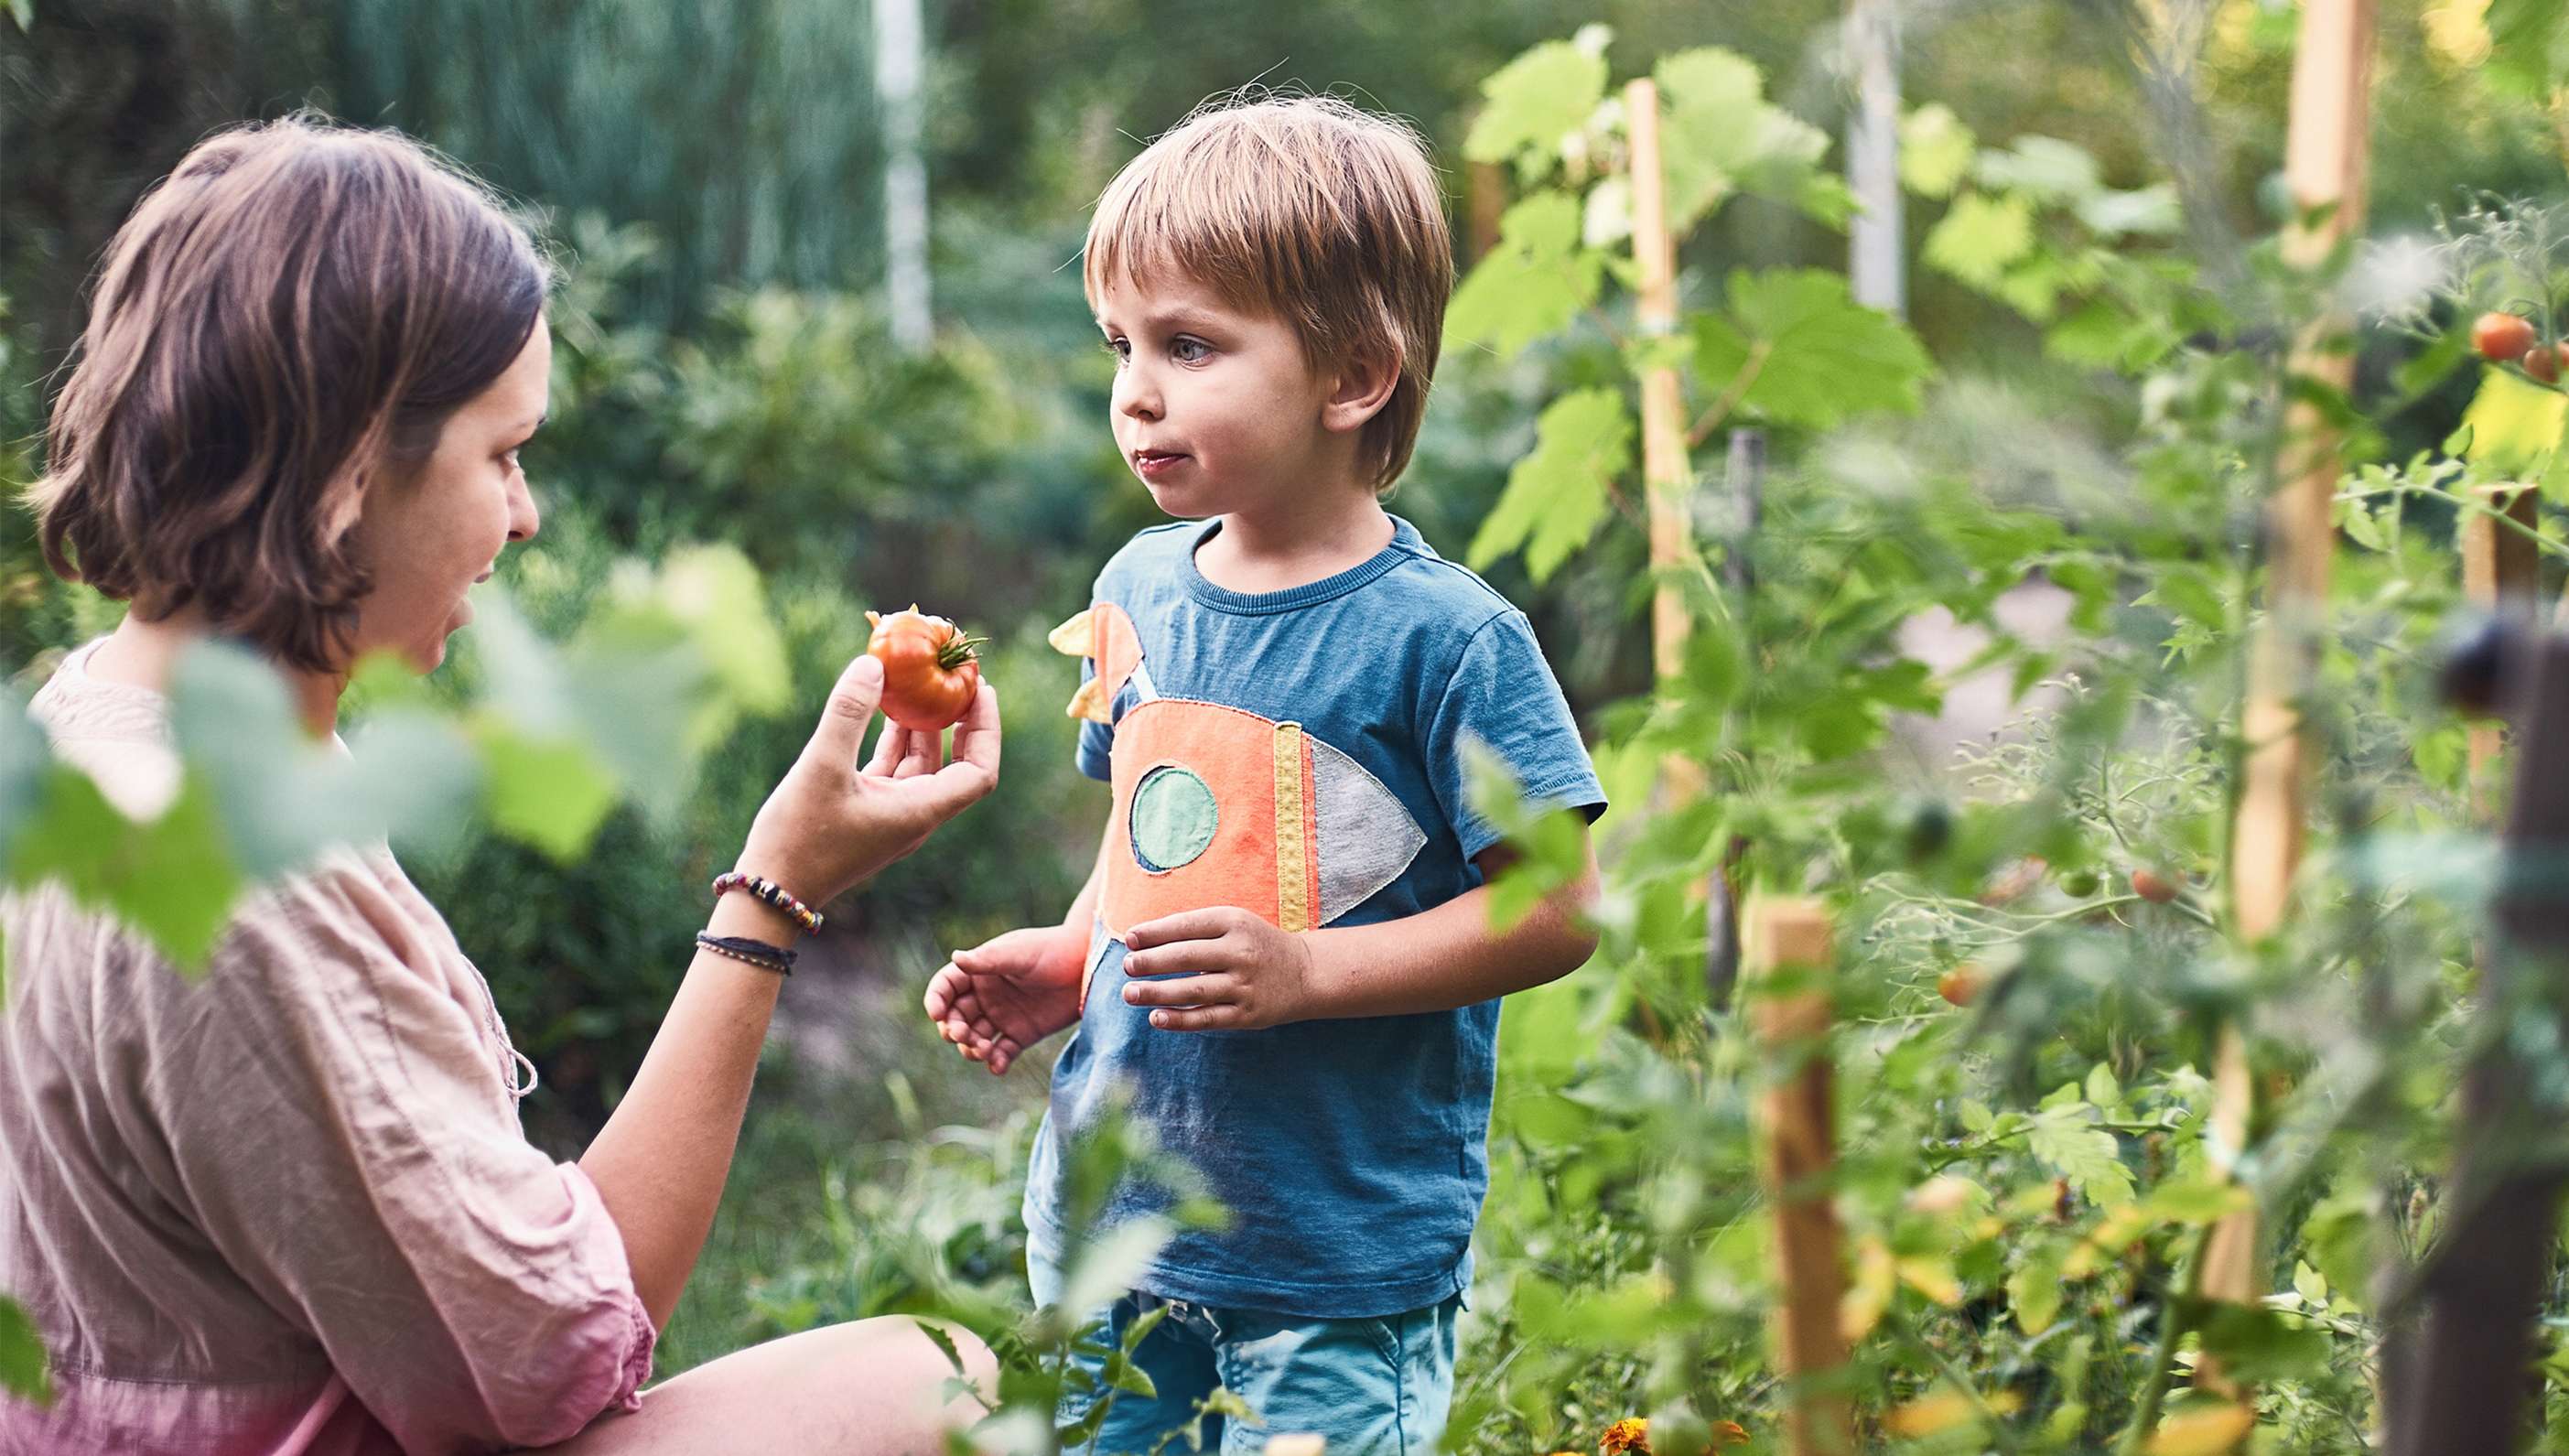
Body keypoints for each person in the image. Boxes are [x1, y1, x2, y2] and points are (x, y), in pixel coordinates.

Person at [3, 113, 1002, 1454]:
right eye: (502, 454)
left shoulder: (79, 736)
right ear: (355, 468)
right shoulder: (235, 877)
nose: (527, 517)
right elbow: (537, 1373)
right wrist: (774, 891)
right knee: (941, 1386)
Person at [922, 93, 1606, 1455]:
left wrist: (1309, 975)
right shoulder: (1140, 590)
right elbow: (1154, 830)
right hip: (1116, 1234)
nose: (1135, 390)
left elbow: (1558, 911)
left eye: (1189, 345)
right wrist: (1076, 956)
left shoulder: (1450, 643)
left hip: (1332, 1261)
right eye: (1121, 342)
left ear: (1353, 375)